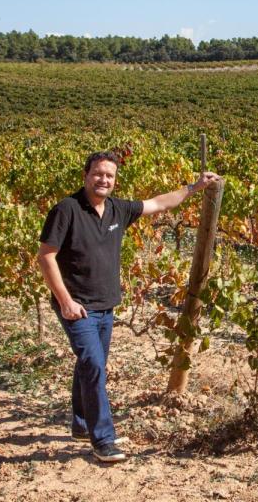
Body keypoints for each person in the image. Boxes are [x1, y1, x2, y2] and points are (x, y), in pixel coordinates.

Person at [37, 150, 220, 463]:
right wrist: (65, 301)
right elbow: (46, 256)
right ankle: (103, 440)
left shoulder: (117, 209)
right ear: (85, 175)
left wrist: (194, 187)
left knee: (90, 364)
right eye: (98, 174)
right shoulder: (67, 209)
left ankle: (82, 424)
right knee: (94, 365)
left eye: (109, 175)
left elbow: (159, 203)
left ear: (115, 180)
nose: (103, 180)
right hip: (77, 306)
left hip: (105, 305)